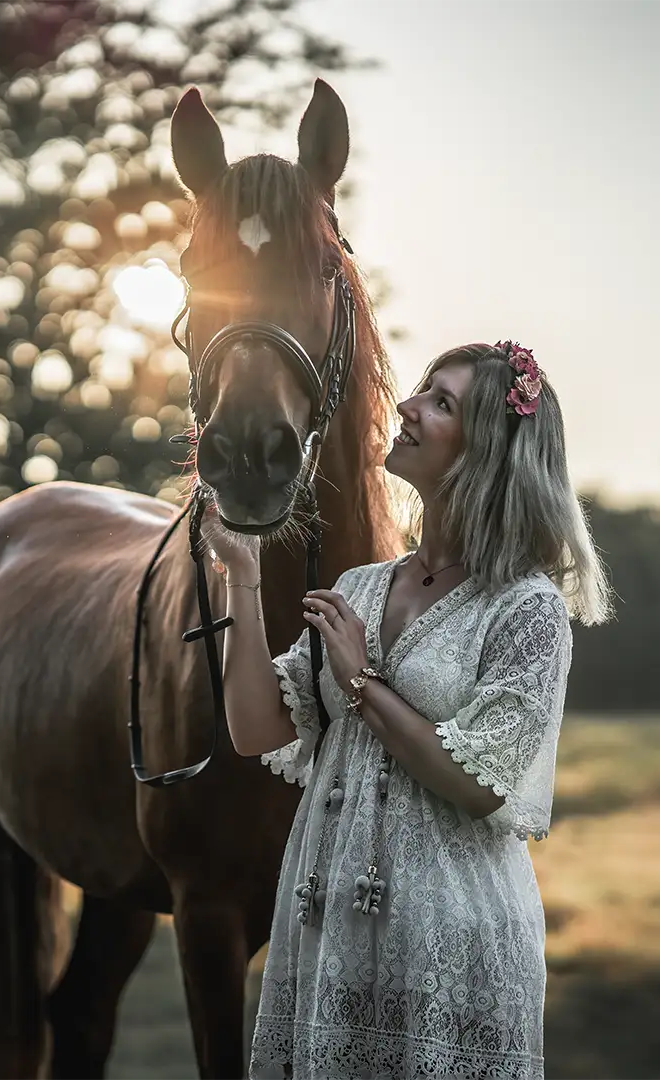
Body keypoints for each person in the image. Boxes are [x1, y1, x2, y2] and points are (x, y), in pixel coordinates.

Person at [208, 341, 613, 1080]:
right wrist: (240, 575)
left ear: (487, 449)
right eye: (422, 389)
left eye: (441, 401)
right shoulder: (359, 587)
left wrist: (362, 681)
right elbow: (253, 729)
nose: (408, 405)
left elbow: (479, 783)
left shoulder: (527, 610)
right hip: (326, 933)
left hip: (452, 946)